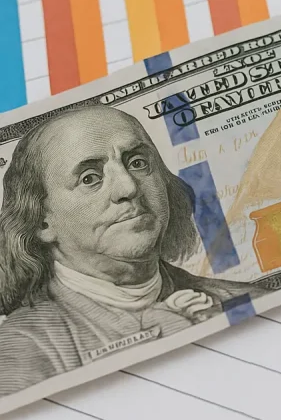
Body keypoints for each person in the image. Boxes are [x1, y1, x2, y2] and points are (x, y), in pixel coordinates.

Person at [0, 106, 263, 397]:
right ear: (41, 220)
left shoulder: (247, 301)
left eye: (137, 163)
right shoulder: (21, 351)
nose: (128, 187)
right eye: (90, 178)